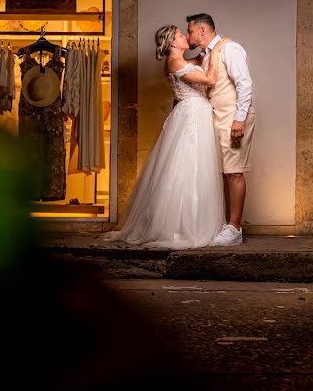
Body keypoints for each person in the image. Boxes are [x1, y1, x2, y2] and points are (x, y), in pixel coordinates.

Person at [104, 25, 227, 248]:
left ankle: (190, 221)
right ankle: (181, 225)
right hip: (191, 114)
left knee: (194, 166)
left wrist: (207, 47)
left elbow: (197, 62)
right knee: (187, 167)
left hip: (195, 113)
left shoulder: (181, 61)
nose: (184, 37)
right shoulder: (175, 62)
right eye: (181, 35)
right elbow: (209, 80)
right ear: (172, 42)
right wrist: (217, 51)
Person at [186, 13, 255, 246]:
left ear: (202, 31)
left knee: (234, 171)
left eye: (190, 31)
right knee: (223, 172)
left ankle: (234, 229)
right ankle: (225, 223)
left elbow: (244, 84)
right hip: (215, 117)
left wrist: (239, 118)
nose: (188, 36)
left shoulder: (230, 48)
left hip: (232, 116)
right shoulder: (206, 54)